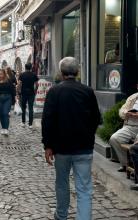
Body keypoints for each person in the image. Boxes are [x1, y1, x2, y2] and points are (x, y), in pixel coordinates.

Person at [42, 57, 101, 220]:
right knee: (84, 188)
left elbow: (47, 120)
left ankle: (61, 215)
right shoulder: (87, 91)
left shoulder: (54, 92)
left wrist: (48, 145)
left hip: (61, 148)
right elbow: (96, 118)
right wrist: (88, 134)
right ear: (77, 72)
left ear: (61, 73)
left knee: (62, 183)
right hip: (83, 147)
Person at [109, 92, 138, 172]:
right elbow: (121, 111)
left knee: (136, 144)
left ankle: (136, 167)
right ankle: (126, 164)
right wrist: (126, 113)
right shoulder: (133, 97)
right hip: (129, 126)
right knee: (114, 138)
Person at [0, 69, 16, 135]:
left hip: (7, 98)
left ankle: (6, 128)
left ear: (4, 74)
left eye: (1, 74)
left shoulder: (9, 81)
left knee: (5, 113)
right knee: (1, 114)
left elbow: (13, 91)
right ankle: (3, 128)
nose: (0, 75)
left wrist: (13, 101)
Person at [18, 63, 39, 128]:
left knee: (23, 108)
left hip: (24, 93)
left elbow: (19, 84)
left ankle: (23, 122)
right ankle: (30, 124)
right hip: (31, 93)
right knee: (30, 108)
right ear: (31, 67)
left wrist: (19, 91)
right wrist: (35, 91)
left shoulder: (22, 75)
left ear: (25, 67)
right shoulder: (34, 75)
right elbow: (37, 84)